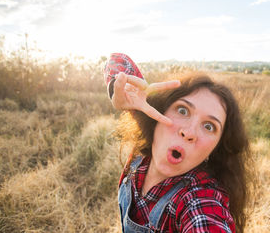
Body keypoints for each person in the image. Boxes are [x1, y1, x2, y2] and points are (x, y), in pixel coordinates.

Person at [105, 53, 250, 232]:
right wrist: (121, 93)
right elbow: (117, 60)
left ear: (215, 148)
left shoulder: (200, 199)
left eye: (209, 126)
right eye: (182, 110)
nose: (189, 132)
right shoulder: (147, 141)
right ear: (158, 112)